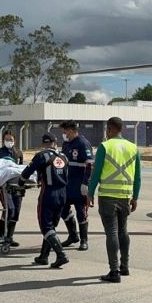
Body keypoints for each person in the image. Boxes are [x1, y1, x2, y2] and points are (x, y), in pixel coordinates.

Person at [87, 117, 141, 283]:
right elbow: (138, 176)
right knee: (123, 231)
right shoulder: (133, 147)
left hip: (108, 197)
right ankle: (125, 267)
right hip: (125, 196)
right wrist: (135, 197)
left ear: (109, 130)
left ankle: (114, 271)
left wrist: (90, 192)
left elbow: (96, 173)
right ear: (122, 129)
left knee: (111, 232)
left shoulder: (105, 146)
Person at [20, 133, 70, 268]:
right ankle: (44, 256)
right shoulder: (64, 157)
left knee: (46, 226)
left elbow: (28, 171)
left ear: (43, 144)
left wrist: (21, 182)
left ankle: (61, 255)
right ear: (55, 142)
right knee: (51, 226)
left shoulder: (42, 156)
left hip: (49, 193)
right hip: (62, 194)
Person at [59, 120, 94, 251]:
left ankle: (84, 240)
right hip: (67, 185)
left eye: (66, 131)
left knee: (81, 213)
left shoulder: (83, 143)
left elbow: (90, 164)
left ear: (73, 131)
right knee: (63, 209)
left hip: (80, 185)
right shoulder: (66, 144)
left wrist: (86, 183)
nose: (64, 134)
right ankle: (73, 235)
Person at [0, 130, 24, 247]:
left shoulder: (19, 153)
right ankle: (4, 235)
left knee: (16, 211)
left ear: (14, 140)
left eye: (11, 140)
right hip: (4, 186)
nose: (9, 142)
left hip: (17, 186)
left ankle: (8, 236)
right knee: (9, 209)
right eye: (6, 139)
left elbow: (20, 168)